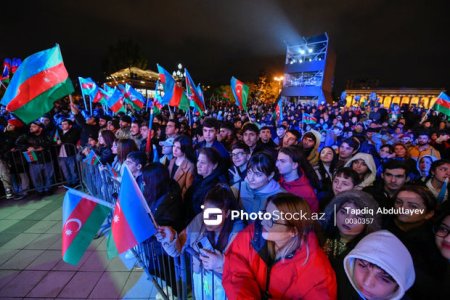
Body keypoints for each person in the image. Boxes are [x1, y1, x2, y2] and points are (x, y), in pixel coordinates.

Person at [223, 193, 337, 299]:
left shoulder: (318, 272)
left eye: (272, 219)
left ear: (293, 231)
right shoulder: (254, 233)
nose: (263, 221)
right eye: (265, 214)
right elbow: (235, 269)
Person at [157, 184, 244, 300]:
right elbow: (178, 249)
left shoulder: (239, 232)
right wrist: (171, 238)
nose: (207, 220)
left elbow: (244, 271)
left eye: (214, 216)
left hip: (224, 288)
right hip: (200, 280)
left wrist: (223, 262)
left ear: (227, 213)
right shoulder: (199, 220)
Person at [320, 190, 382, 299]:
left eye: (358, 217)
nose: (348, 220)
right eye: (343, 212)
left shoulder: (365, 258)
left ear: (368, 223)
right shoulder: (320, 235)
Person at [384, 185, 441, 299]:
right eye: (399, 202)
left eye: (413, 206)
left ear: (429, 214)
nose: (403, 208)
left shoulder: (434, 241)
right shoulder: (381, 224)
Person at [343, 230, 415, 300]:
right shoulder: (339, 284)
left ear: (398, 286)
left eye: (384, 279)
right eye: (362, 265)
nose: (367, 283)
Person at [184, 148, 227, 222]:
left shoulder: (216, 188)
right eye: (198, 161)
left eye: (203, 162)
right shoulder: (199, 179)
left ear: (214, 165)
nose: (198, 165)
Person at [276, 146, 320, 212]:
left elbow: (311, 219)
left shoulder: (307, 194)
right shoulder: (278, 180)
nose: (277, 164)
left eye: (282, 161)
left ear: (294, 165)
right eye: (277, 160)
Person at [15, 121, 54, 196]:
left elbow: (50, 142)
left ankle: (48, 189)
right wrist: (27, 147)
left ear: (40, 128)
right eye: (31, 126)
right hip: (33, 160)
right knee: (36, 177)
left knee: (49, 176)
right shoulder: (27, 136)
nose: (31, 128)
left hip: (47, 158)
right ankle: (39, 191)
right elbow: (17, 143)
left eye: (34, 126)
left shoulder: (46, 135)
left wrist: (39, 148)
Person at [142, 162, 183, 231]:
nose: (143, 183)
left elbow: (160, 226)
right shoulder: (156, 190)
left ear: (154, 181)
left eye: (146, 180)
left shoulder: (170, 202)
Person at [168, 135, 196, 199]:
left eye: (178, 148)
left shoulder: (190, 166)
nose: (174, 150)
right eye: (174, 146)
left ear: (185, 148)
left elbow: (187, 189)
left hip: (178, 199)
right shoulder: (172, 161)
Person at [56, 119, 80, 187]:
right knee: (65, 170)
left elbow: (71, 140)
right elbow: (54, 140)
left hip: (70, 154)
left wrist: (61, 141)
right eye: (62, 124)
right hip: (61, 155)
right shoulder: (59, 133)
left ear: (70, 126)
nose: (62, 125)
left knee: (73, 169)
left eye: (65, 124)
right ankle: (69, 183)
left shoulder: (74, 132)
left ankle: (76, 183)